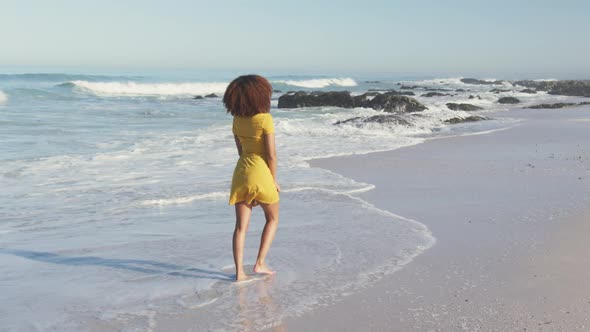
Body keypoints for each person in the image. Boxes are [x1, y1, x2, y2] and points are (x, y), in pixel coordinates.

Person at [223, 75, 280, 282]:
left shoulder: (236, 120)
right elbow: (271, 155)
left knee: (240, 227)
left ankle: (239, 273)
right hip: (262, 172)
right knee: (272, 218)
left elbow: (240, 151)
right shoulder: (265, 119)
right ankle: (260, 263)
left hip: (241, 172)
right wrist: (272, 180)